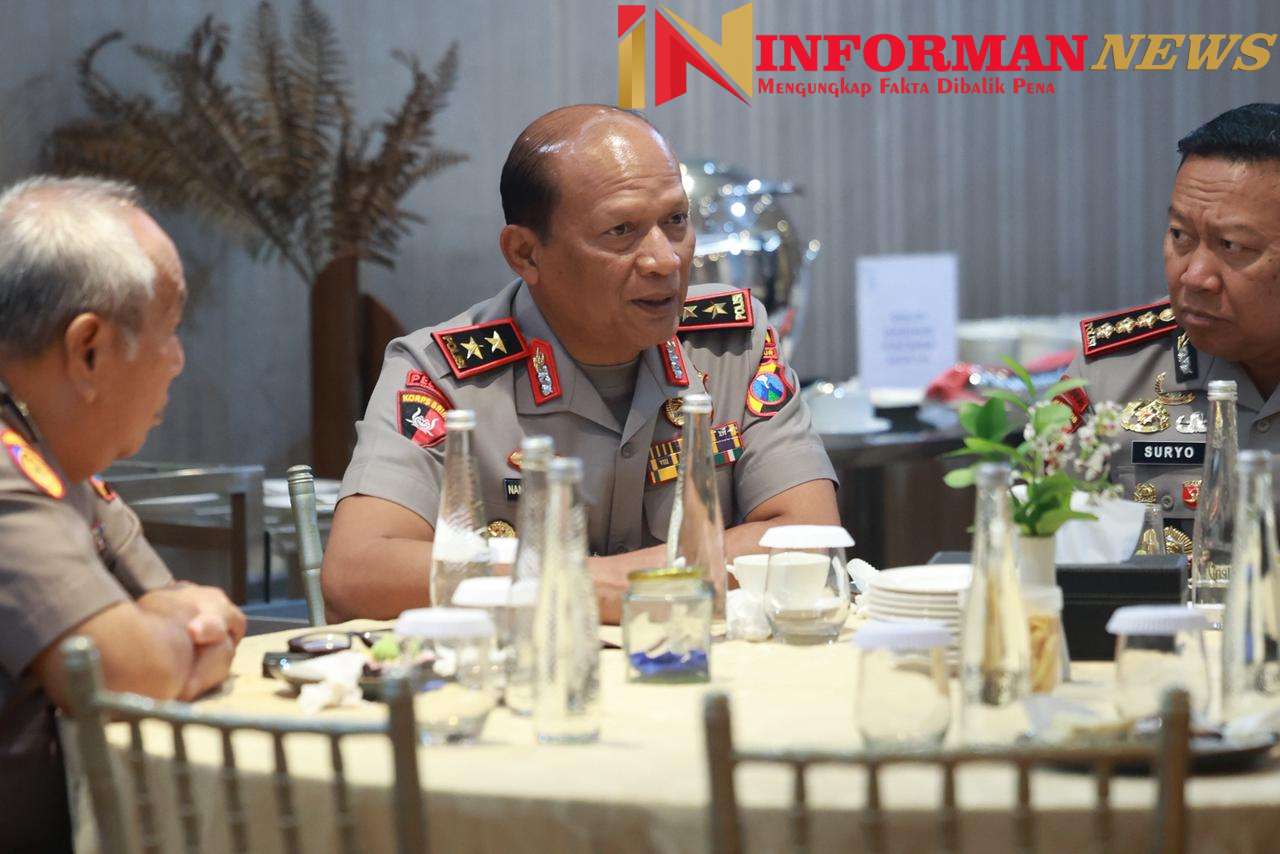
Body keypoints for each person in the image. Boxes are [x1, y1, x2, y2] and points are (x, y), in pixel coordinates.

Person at [323, 104, 840, 623]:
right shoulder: (440, 377)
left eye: (676, 221)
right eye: (621, 230)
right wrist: (596, 586)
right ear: (526, 254)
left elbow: (810, 539)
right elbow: (357, 573)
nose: (665, 259)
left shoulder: (732, 344)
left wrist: (569, 582)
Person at [0, 177, 245, 852]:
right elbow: (128, 673)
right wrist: (166, 636)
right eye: (169, 330)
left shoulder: (56, 458)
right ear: (89, 350)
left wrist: (167, 627)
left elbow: (176, 602)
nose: (178, 360)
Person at [1062, 103, 1280, 556]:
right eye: (1180, 235)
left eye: (1232, 245)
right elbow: (1040, 557)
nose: (1195, 276)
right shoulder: (1111, 376)